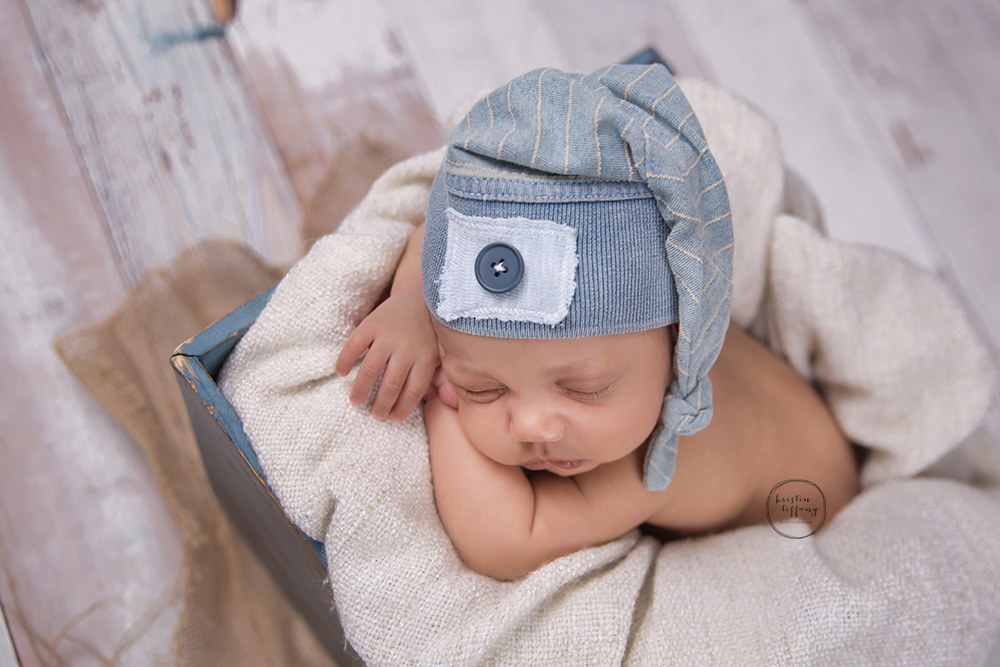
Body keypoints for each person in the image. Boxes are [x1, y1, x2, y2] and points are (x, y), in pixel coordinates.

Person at [337, 65, 859, 580]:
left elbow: (507, 543)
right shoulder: (628, 352)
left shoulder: (659, 453)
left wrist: (440, 402)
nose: (531, 426)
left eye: (584, 390)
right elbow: (439, 237)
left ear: (681, 344)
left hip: (807, 509)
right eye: (483, 387)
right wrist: (410, 302)